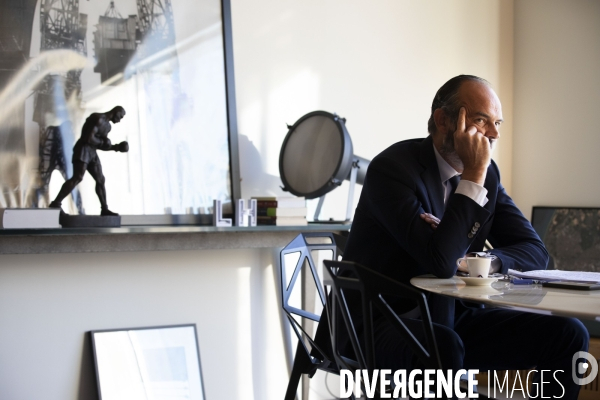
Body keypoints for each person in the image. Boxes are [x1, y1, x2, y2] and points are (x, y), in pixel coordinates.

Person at [329, 75, 589, 399]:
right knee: (444, 345)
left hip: (450, 315)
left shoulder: (488, 175)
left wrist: (484, 263)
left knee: (568, 335)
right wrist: (472, 178)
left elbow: (536, 251)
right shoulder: (393, 170)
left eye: (497, 123)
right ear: (443, 120)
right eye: (481, 121)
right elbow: (440, 263)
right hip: (380, 321)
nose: (493, 134)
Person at [49, 106, 129, 216]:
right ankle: (55, 204)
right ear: (116, 112)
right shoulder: (98, 118)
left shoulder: (108, 127)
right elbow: (88, 138)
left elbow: (99, 144)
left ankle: (104, 209)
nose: (119, 120)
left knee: (100, 179)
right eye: (120, 116)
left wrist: (116, 147)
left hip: (92, 152)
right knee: (77, 177)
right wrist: (104, 142)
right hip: (83, 149)